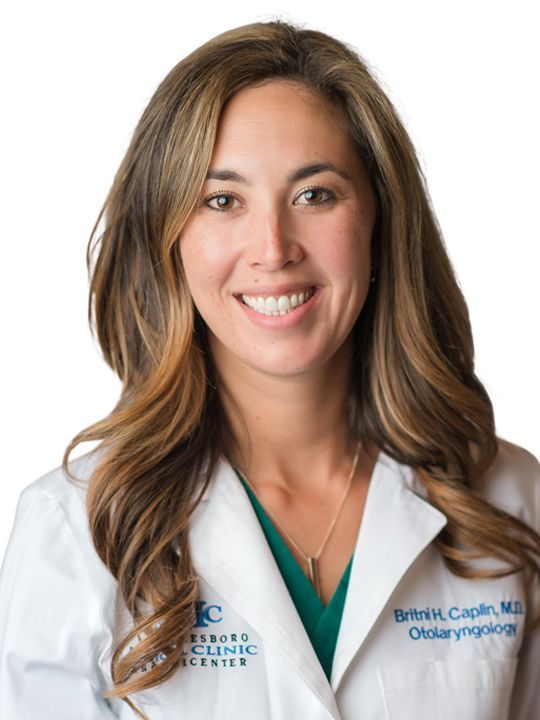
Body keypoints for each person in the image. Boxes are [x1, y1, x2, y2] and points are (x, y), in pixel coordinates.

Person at [0, 19, 539, 720]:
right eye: (222, 201)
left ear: (379, 219)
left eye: (315, 195)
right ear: (169, 240)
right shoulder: (78, 529)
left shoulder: (509, 505)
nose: (273, 248)